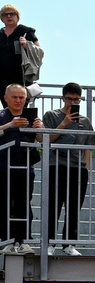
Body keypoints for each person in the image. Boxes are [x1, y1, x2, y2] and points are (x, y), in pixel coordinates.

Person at [42, 82, 92, 251]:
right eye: (69, 99)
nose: (72, 103)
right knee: (52, 207)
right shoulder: (51, 115)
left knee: (74, 209)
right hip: (56, 166)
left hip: (78, 169)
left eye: (76, 100)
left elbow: (88, 147)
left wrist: (86, 168)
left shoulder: (85, 121)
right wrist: (63, 123)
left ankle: (69, 244)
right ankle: (49, 243)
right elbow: (46, 140)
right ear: (62, 98)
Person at [0, 86, 42, 252]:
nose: (18, 101)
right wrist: (10, 125)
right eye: (15, 97)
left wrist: (39, 128)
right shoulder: (2, 116)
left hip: (25, 169)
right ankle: (6, 241)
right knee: (3, 204)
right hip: (3, 168)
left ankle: (23, 240)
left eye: (21, 97)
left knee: (24, 205)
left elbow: (42, 139)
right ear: (6, 98)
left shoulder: (31, 117)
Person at [0, 6, 38, 89]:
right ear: (1, 18)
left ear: (17, 16)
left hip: (21, 77)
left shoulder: (26, 32)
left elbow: (39, 51)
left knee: (19, 100)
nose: (8, 16)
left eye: (12, 14)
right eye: (5, 14)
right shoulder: (0, 34)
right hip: (2, 77)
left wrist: (27, 46)